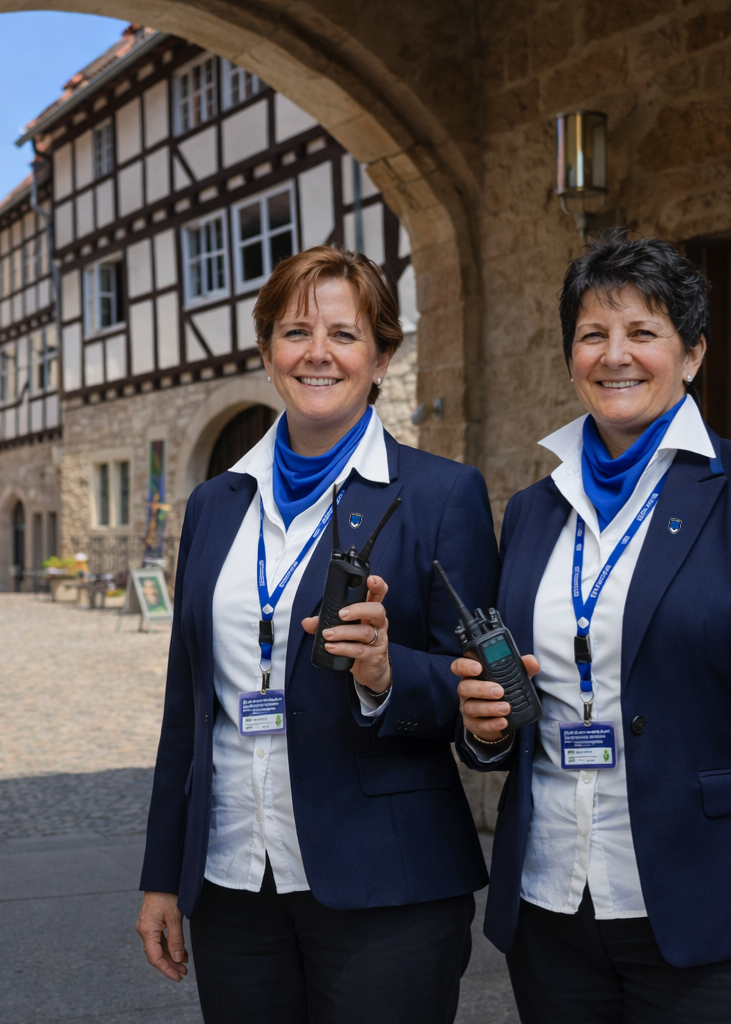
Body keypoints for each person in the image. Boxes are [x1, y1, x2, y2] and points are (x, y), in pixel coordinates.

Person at [455, 233, 731, 1024]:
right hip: (552, 908)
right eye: (592, 335)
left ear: (692, 355)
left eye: (643, 333)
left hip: (709, 915)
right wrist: (486, 729)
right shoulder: (535, 511)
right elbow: (514, 709)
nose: (616, 356)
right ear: (570, 354)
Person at [135, 245, 526, 1023]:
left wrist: (386, 674)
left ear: (382, 358)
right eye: (295, 331)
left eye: (345, 336)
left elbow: (482, 697)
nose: (318, 353)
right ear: (267, 353)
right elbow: (189, 703)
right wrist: (162, 875)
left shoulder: (441, 494)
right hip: (234, 880)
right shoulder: (216, 503)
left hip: (388, 883)